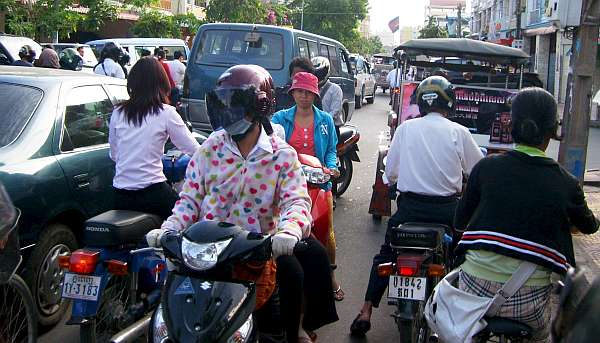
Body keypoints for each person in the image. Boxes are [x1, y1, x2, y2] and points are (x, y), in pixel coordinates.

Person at [149, 65, 337, 343]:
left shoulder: (281, 156)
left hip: (255, 252)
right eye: (223, 104)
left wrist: (288, 232)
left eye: (236, 104)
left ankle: (295, 331)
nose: (229, 113)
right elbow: (188, 200)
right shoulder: (209, 149)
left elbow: (297, 201)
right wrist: (169, 228)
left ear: (260, 106)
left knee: (293, 273)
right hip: (205, 251)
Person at [454, 87, 599, 342]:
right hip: (528, 301)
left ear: (512, 125)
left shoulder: (486, 167)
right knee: (540, 335)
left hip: (473, 291)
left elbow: (460, 221)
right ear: (553, 130)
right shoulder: (566, 182)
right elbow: (588, 226)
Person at [350, 76, 484, 337]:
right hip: (447, 212)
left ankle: (366, 310)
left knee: (386, 255)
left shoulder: (406, 129)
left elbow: (390, 173)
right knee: (461, 257)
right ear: (449, 103)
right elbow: (478, 171)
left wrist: (393, 181)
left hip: (409, 210)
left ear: (421, 102)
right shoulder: (459, 132)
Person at [271, 72, 345, 304]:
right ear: (292, 92)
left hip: (318, 182)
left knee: (325, 231)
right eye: (299, 91)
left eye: (308, 92)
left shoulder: (325, 121)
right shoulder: (280, 119)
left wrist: (331, 168)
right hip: (287, 184)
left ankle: (330, 276)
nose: (303, 96)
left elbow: (332, 150)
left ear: (315, 94)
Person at [109, 57, 199, 219]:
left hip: (120, 195)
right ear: (162, 83)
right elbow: (194, 151)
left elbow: (115, 155)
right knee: (188, 219)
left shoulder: (118, 112)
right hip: (153, 194)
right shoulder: (166, 113)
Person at [312, 56, 344, 138]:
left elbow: (335, 111)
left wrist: (320, 122)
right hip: (311, 128)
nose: (317, 76)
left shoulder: (335, 89)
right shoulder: (309, 89)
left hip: (330, 128)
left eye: (320, 73)